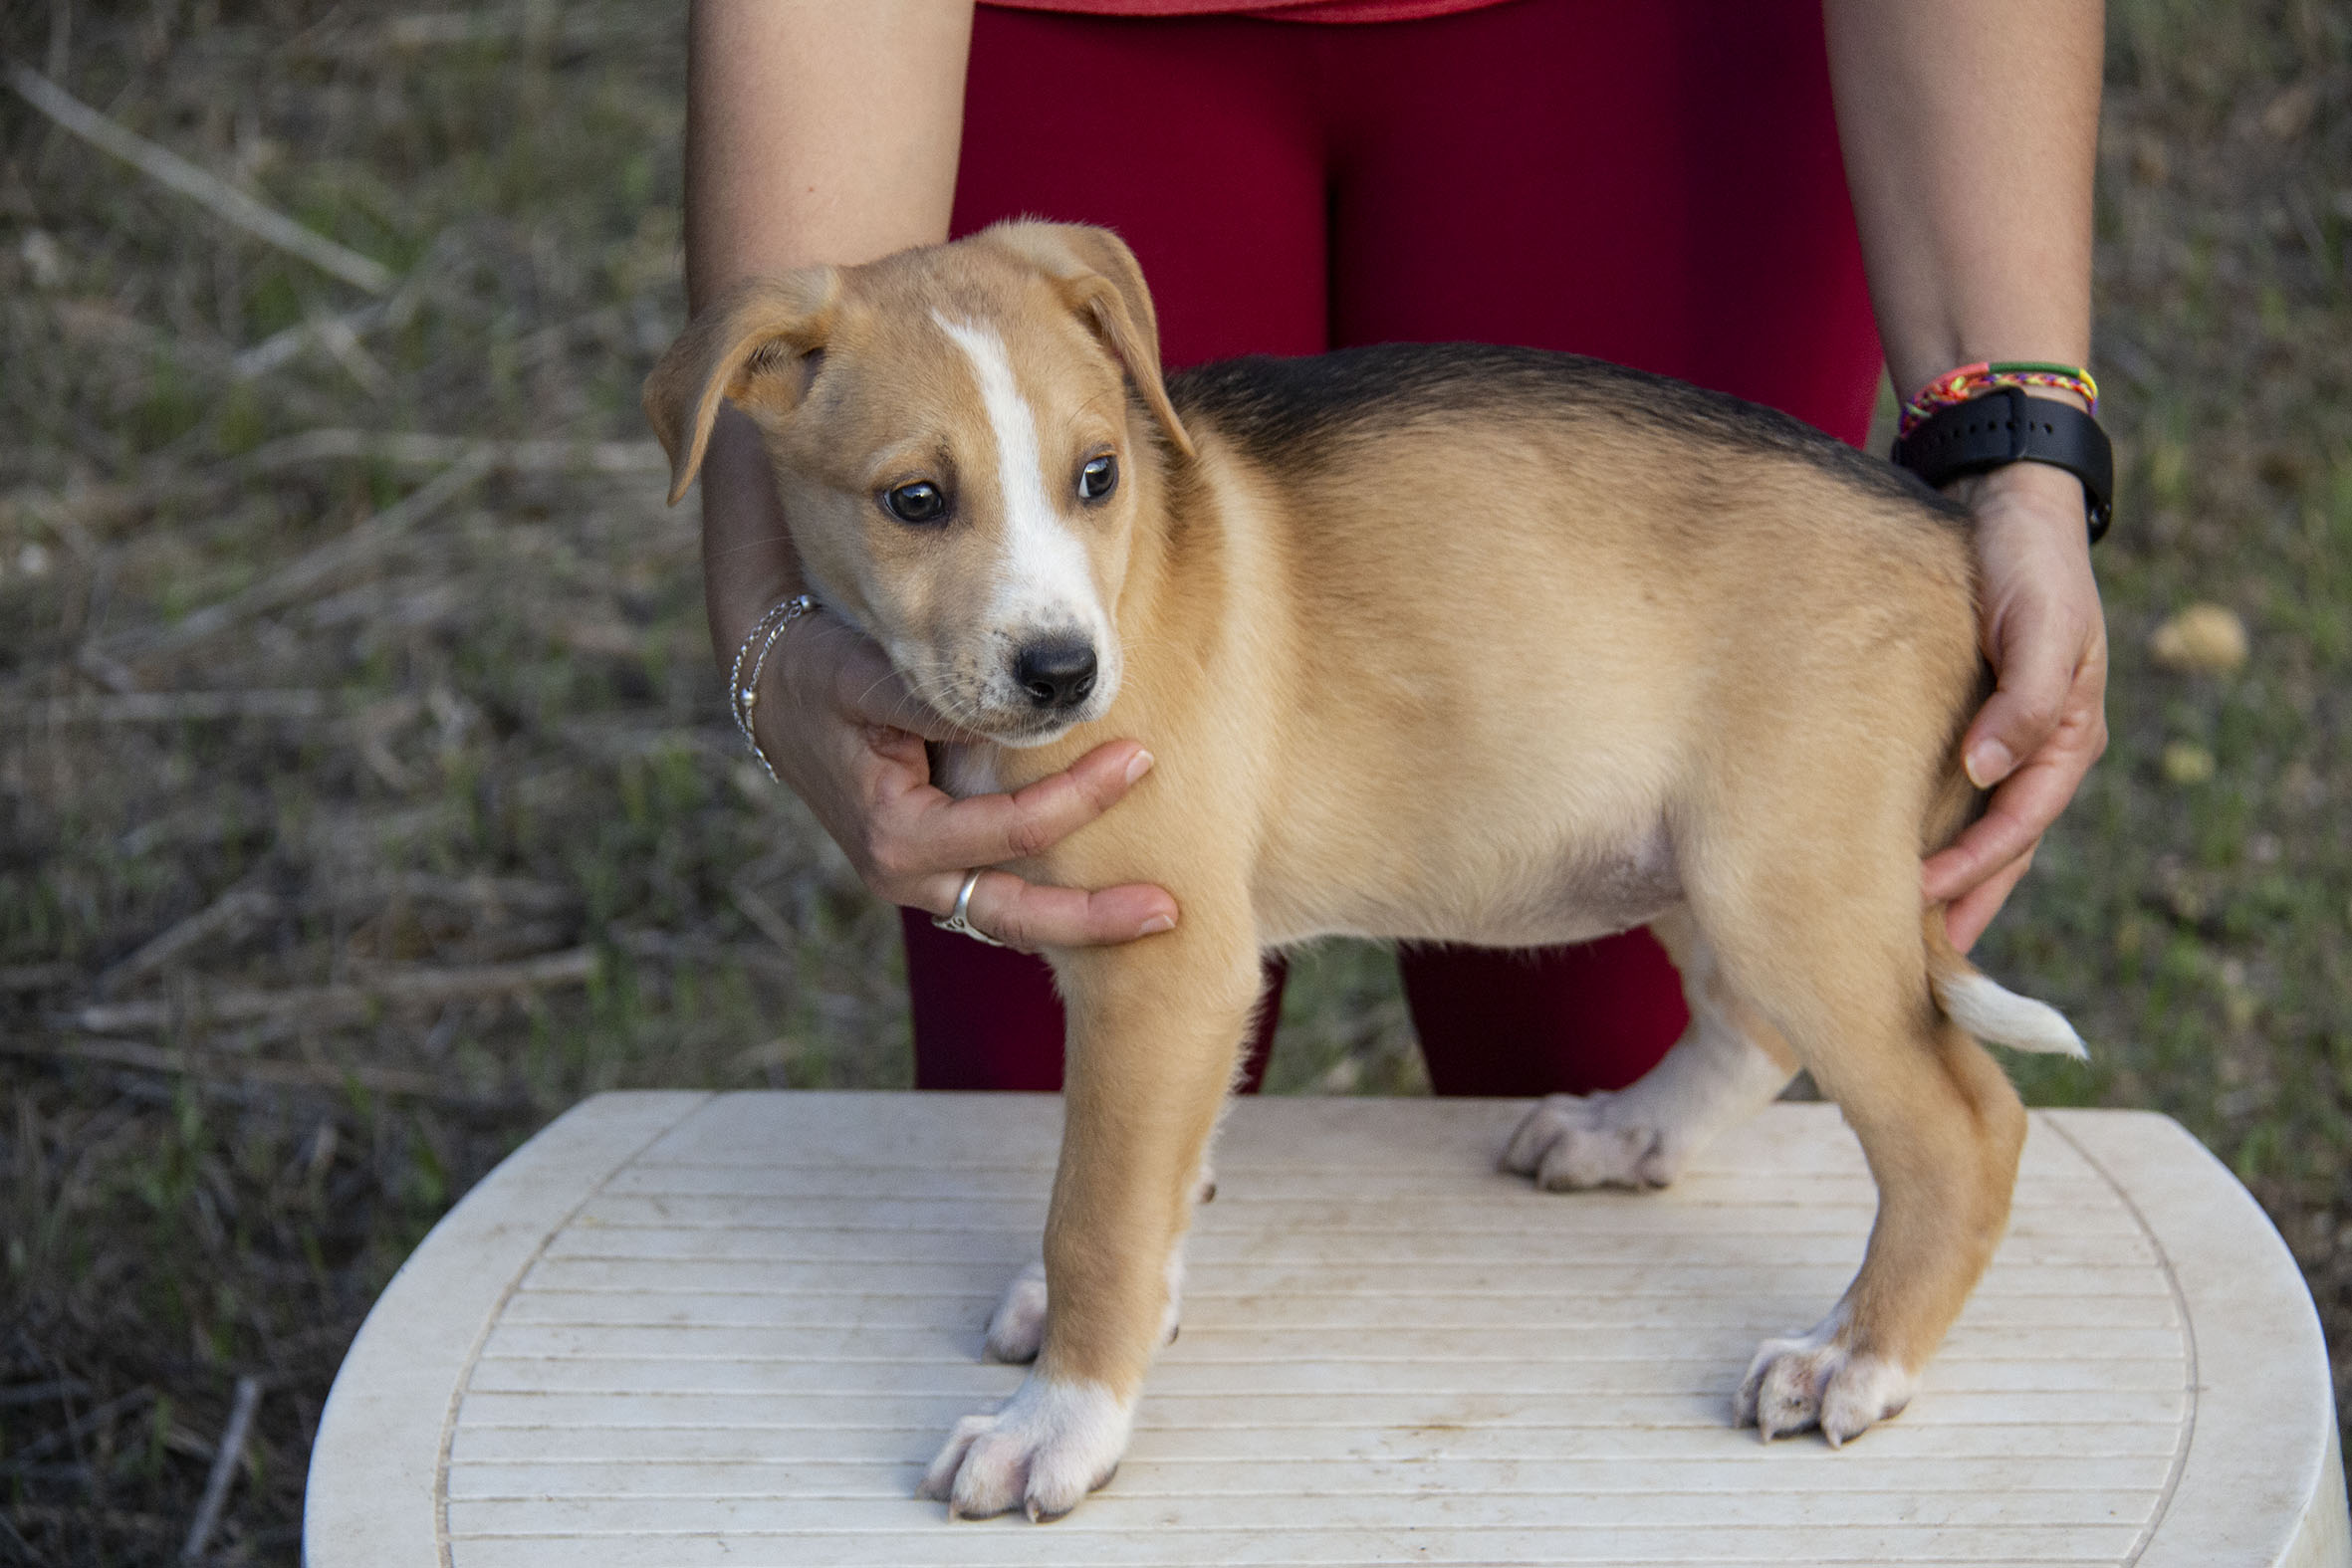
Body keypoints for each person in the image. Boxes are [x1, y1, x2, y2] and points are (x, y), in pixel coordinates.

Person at [684, 0, 2110, 1096]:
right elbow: (809, 387)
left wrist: (2018, 437)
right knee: (1042, 999)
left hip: (1640, 60)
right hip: (1053, 44)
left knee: (1607, 986)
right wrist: (770, 627)